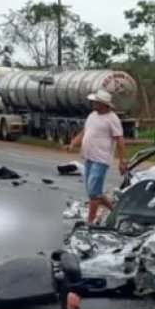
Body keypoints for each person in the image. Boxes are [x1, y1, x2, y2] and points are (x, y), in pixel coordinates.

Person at [65, 89, 128, 226]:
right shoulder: (92, 115)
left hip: (101, 160)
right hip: (89, 158)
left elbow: (120, 140)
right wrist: (73, 144)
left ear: (104, 104)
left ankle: (90, 221)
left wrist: (123, 161)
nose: (93, 104)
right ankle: (116, 211)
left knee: (93, 191)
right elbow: (84, 132)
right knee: (94, 191)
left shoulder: (112, 119)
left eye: (96, 102)